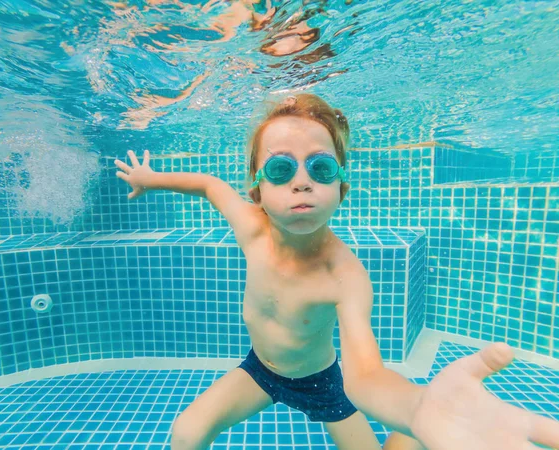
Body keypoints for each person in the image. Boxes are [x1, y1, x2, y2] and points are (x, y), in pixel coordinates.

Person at [114, 93, 559, 450]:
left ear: (341, 187)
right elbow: (210, 186)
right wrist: (148, 180)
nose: (302, 180)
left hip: (321, 381)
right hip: (258, 370)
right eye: (281, 167)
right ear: (257, 187)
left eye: (321, 167)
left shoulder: (345, 275)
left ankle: (411, 431)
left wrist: (413, 405)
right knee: (186, 434)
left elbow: (364, 373)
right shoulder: (250, 227)